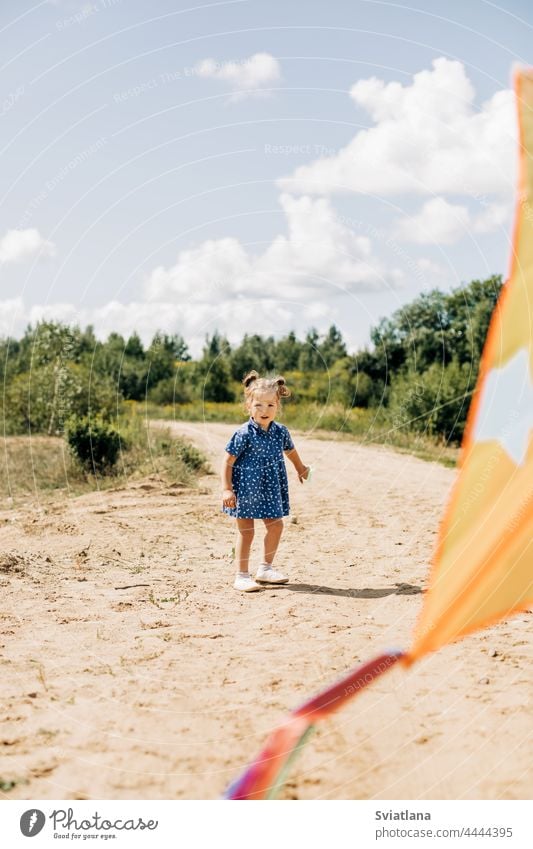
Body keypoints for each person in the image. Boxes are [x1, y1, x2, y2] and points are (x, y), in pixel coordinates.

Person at [221, 370, 310, 592]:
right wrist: (227, 490)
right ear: (249, 405)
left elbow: (290, 451)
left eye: (271, 405)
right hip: (246, 489)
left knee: (276, 526)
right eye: (259, 405)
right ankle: (241, 575)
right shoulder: (244, 433)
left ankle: (265, 569)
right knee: (247, 531)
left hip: (270, 488)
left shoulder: (281, 432)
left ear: (278, 406)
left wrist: (301, 469)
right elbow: (228, 461)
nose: (265, 410)